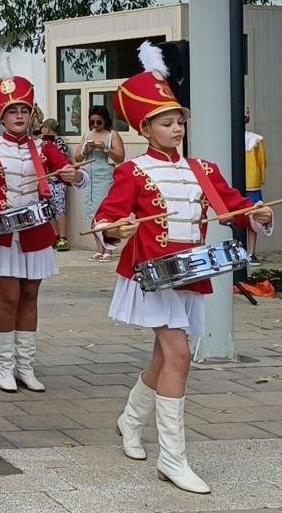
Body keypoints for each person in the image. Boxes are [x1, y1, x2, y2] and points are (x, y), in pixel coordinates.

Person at [92, 41, 273, 495]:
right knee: (179, 356)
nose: (177, 128)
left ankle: (130, 421)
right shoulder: (133, 172)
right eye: (167, 122)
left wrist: (258, 215)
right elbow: (106, 220)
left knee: (164, 357)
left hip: (191, 274)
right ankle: (173, 460)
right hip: (153, 277)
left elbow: (234, 207)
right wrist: (117, 230)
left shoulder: (203, 168)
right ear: (145, 127)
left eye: (179, 121)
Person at [0, 59, 88, 393]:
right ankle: (4, 366)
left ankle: (25, 367)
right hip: (1, 233)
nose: (19, 117)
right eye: (12, 112)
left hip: (36, 231)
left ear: (32, 114)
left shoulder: (44, 148)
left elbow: (77, 176)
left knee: (30, 296)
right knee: (9, 297)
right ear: (1, 116)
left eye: (24, 111)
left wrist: (75, 174)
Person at [75, 104, 125, 262]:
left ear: (105, 121)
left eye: (99, 122)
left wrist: (105, 148)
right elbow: (77, 158)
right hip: (89, 177)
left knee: (105, 213)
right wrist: (85, 150)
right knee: (91, 213)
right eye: (93, 122)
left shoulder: (112, 135)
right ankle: (99, 249)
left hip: (105, 177)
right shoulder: (87, 135)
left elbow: (120, 157)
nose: (95, 125)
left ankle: (109, 250)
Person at [41, 119, 71, 252]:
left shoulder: (59, 142)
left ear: (47, 128)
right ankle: (55, 236)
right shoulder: (43, 142)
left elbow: (61, 162)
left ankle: (63, 238)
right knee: (48, 210)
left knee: (59, 209)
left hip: (57, 180)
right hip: (45, 181)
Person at [244, 105, 268, 266]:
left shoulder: (256, 139)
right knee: (251, 220)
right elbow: (262, 164)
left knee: (253, 220)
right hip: (251, 185)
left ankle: (250, 253)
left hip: (246, 185)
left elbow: (262, 163)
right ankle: (249, 253)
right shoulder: (256, 140)